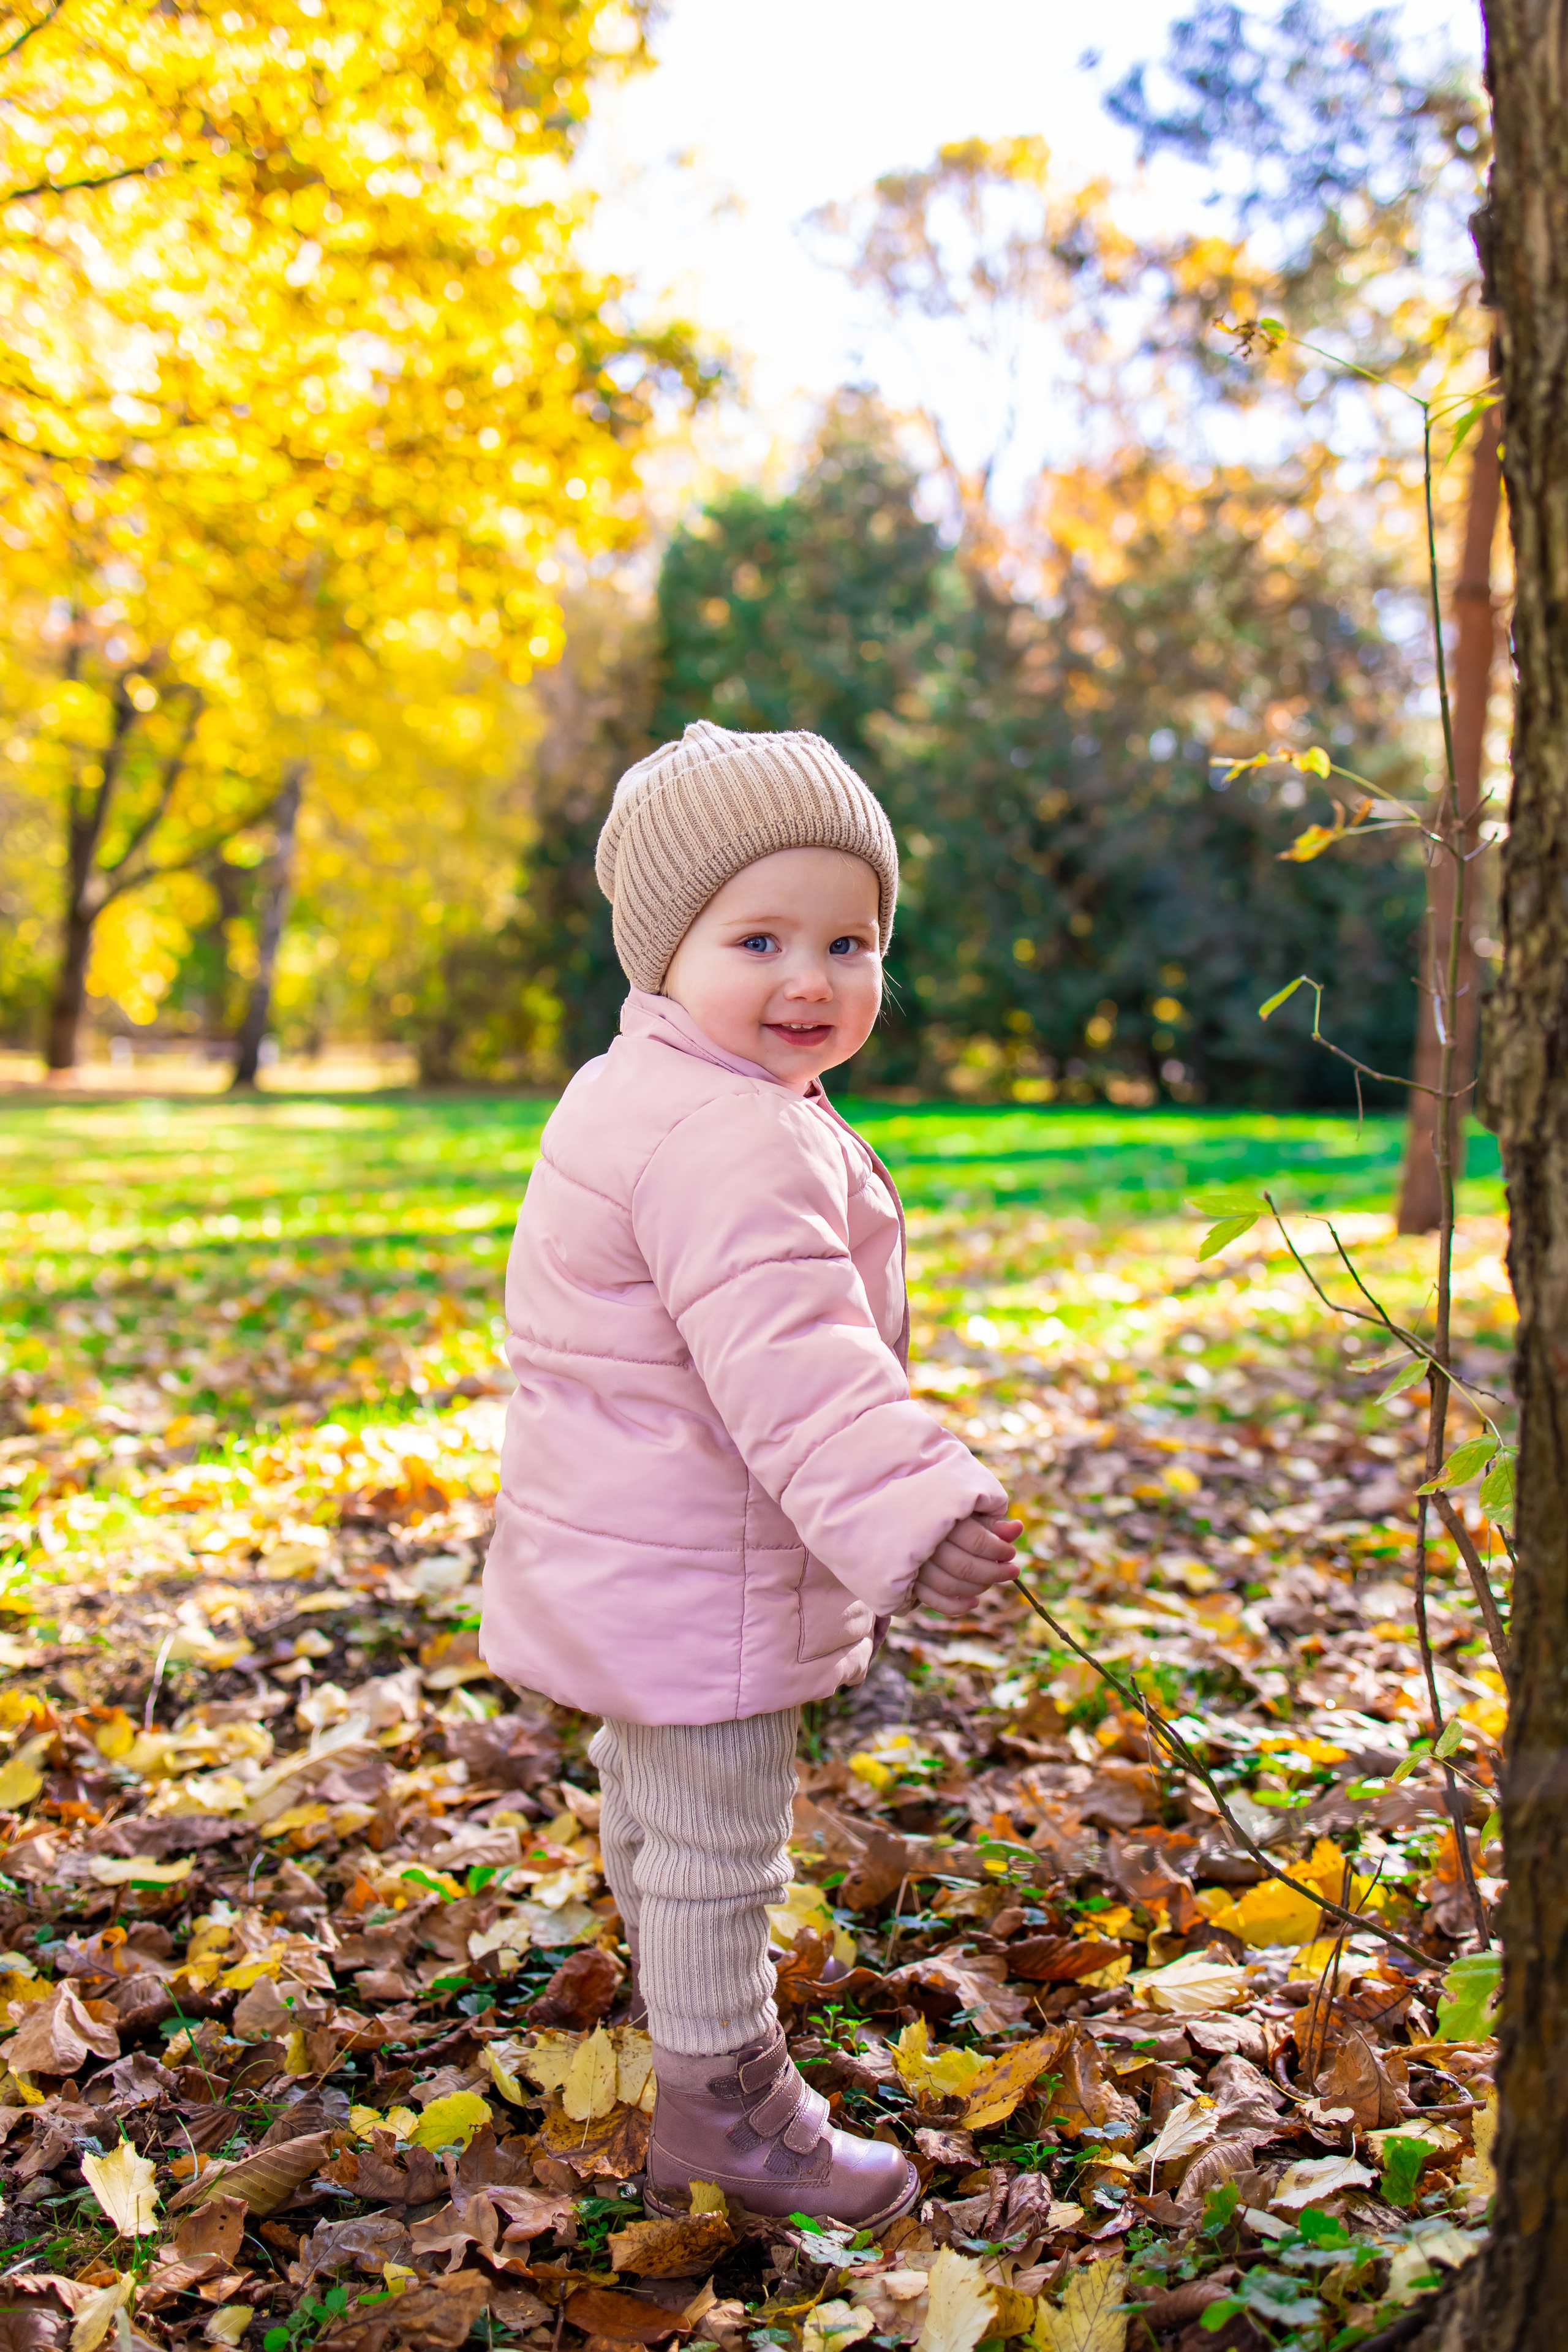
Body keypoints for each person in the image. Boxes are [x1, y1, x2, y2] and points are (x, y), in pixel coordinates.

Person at [481, 720, 1022, 2228]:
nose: (812, 979)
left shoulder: (640, 1086)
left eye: (848, 940)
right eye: (759, 937)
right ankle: (725, 2109)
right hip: (698, 1565)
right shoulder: (729, 1139)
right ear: (666, 950)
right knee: (720, 1830)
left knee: (658, 1799)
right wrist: (918, 1514)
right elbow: (796, 1361)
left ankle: (672, 2017)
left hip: (631, 1543)